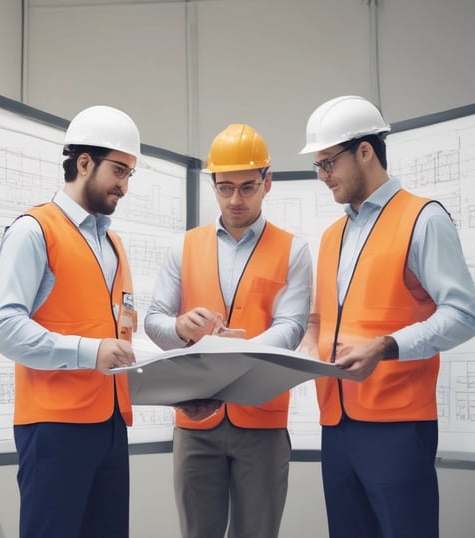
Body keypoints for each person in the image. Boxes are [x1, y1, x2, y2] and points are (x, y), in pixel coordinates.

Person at [297, 95, 475, 538]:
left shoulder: (423, 218)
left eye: (328, 163)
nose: (323, 177)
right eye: (317, 166)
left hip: (398, 427)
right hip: (337, 425)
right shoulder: (331, 236)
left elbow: (463, 314)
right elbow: (321, 321)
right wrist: (295, 355)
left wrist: (386, 346)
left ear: (365, 151)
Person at [145, 123, 313, 538]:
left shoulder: (294, 250)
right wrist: (181, 327)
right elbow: (154, 319)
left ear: (267, 182)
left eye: (247, 187)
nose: (235, 199)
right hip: (195, 422)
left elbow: (291, 326)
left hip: (262, 422)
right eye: (224, 188)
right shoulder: (183, 247)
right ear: (213, 184)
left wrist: (244, 352)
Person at [0, 105, 141, 538]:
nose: (124, 185)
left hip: (111, 426)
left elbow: (118, 334)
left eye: (130, 174)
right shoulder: (34, 231)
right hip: (54, 429)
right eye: (118, 171)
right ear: (84, 163)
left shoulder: (113, 243)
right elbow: (5, 328)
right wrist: (89, 352)